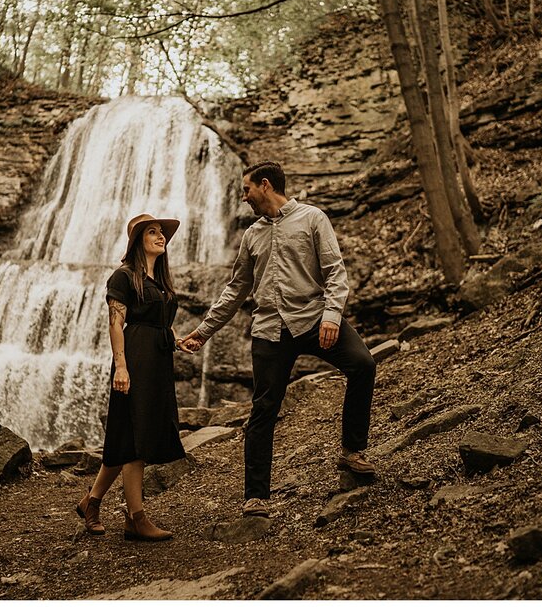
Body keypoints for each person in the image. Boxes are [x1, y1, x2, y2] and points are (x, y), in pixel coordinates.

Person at [182, 161, 376, 518]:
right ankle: (256, 496)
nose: (244, 198)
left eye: (247, 189)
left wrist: (332, 316)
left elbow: (335, 272)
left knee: (363, 364)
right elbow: (236, 289)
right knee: (264, 408)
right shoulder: (252, 235)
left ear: (266, 186)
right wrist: (204, 331)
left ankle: (352, 452)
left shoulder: (313, 218)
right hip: (270, 328)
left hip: (316, 319)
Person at [75, 213, 191, 541]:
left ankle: (91, 503)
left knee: (127, 436)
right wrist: (122, 366)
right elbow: (116, 323)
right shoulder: (124, 276)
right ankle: (136, 518)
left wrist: (178, 340)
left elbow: (159, 322)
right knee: (135, 439)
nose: (160, 236)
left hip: (157, 359)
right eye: (151, 232)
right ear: (138, 241)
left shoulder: (159, 281)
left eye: (161, 232)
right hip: (135, 359)